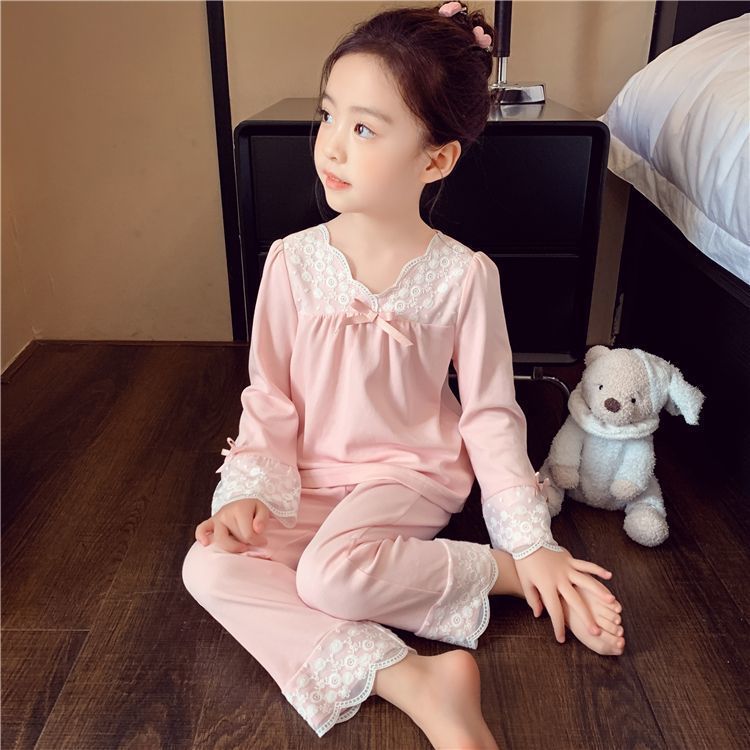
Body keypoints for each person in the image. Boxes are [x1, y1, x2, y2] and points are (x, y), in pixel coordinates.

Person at [182, 2, 626, 747]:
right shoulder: (291, 263)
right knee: (209, 567)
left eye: (364, 129)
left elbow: (490, 415)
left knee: (329, 576)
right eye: (329, 116)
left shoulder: (463, 277)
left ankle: (501, 574)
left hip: (408, 472)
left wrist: (532, 545)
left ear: (435, 160)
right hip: (311, 474)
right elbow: (269, 398)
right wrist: (248, 493)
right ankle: (411, 677)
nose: (331, 145)